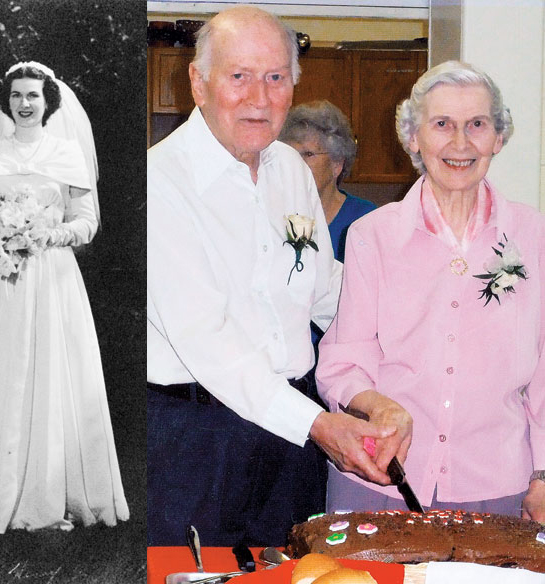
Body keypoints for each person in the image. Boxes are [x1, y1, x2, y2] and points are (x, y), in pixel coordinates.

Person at [147, 6, 397, 547]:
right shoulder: (159, 183)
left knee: (295, 574)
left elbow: (323, 289)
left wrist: (409, 334)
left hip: (293, 439)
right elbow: (205, 339)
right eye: (239, 76)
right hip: (196, 438)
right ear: (199, 81)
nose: (259, 97)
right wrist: (317, 424)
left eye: (276, 78)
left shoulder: (289, 169)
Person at [316, 61, 545, 524]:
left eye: (477, 125)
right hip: (382, 477)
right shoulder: (371, 235)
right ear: (413, 138)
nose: (460, 143)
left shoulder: (535, 235)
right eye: (442, 125)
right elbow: (342, 361)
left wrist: (544, 473)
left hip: (497, 486)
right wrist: (378, 404)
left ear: (498, 138)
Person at [0, 61, 129, 533]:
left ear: (48, 101)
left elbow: (87, 222)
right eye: (16, 96)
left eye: (33, 96)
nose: (24, 104)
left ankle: (46, 493)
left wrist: (51, 233)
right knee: (1, 373)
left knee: (49, 374)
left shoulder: (68, 152)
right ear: (5, 102)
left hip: (51, 275)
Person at [279, 100, 376, 263]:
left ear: (337, 164)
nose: (296, 163)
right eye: (291, 154)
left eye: (308, 154)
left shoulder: (366, 219)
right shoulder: (274, 216)